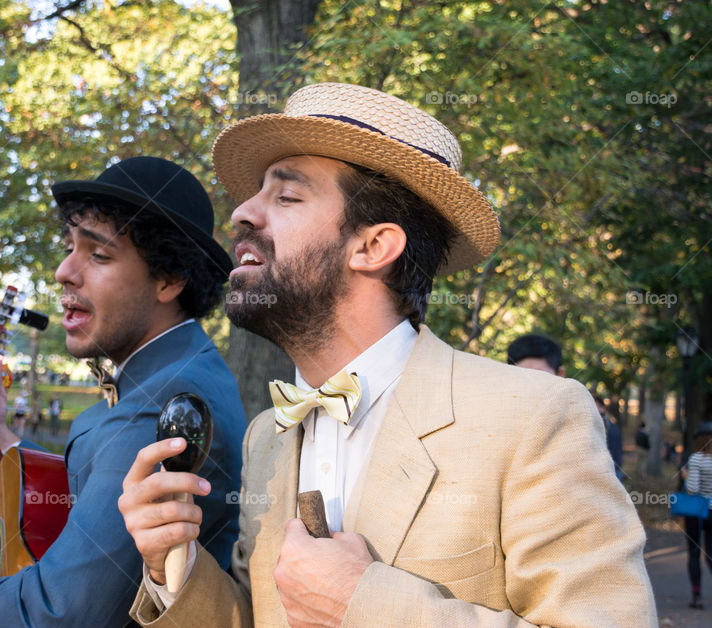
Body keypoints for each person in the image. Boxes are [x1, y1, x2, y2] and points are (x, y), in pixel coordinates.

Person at [119, 83, 656, 626]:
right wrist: (171, 567)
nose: (241, 213)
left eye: (285, 196)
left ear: (373, 247)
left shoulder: (536, 418)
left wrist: (364, 603)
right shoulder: (267, 437)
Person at [0, 157, 247, 627]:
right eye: (70, 247)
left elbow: (67, 607)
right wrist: (0, 435)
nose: (63, 272)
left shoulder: (163, 399)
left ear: (170, 278)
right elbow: (99, 484)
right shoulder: (180, 367)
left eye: (98, 255)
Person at [683, 421, 712, 609]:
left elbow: (692, 489)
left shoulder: (696, 459)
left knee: (694, 554)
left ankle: (697, 596)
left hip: (696, 513)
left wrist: (685, 475)